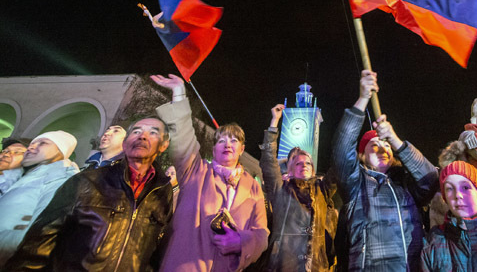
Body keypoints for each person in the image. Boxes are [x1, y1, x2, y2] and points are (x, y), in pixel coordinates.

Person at [5, 117, 174, 270]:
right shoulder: (87, 180)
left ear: (164, 145)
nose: (142, 136)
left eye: (153, 132)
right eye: (136, 131)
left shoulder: (162, 192)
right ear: (125, 143)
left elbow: (153, 251)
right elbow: (41, 239)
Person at [152, 74, 268, 272]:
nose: (227, 145)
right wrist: (179, 94)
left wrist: (241, 242)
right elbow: (184, 139)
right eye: (221, 141)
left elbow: (261, 233)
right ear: (213, 150)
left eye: (234, 141)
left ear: (242, 149)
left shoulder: (253, 186)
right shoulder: (195, 171)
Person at [331, 70, 438, 271]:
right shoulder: (355, 183)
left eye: (386, 146)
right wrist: (363, 99)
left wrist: (395, 140)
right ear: (361, 155)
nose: (382, 149)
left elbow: (431, 179)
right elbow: (342, 148)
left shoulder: (405, 183)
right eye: (374, 146)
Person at [259, 103, 337, 271]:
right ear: (290, 168)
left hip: (317, 267)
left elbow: (340, 163)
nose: (304, 165)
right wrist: (274, 123)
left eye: (308, 162)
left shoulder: (323, 190)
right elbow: (268, 162)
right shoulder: (280, 190)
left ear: (314, 168)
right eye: (298, 162)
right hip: (282, 266)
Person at [0, 131, 79, 266]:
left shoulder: (61, 178)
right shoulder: (33, 175)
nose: (31, 147)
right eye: (31, 144)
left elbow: (39, 234)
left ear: (61, 150)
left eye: (43, 143)